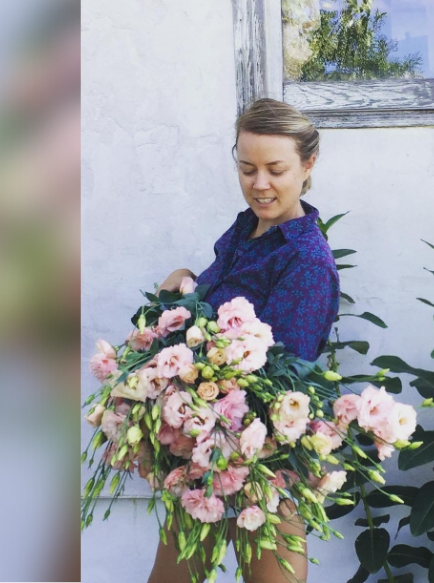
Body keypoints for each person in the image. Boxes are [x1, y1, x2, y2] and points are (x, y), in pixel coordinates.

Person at [147, 98, 340, 583]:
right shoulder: (246, 231)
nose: (259, 184)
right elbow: (217, 307)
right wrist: (187, 281)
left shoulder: (306, 261)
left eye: (275, 169)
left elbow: (282, 373)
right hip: (206, 448)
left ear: (308, 164)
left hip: (263, 455)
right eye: (247, 167)